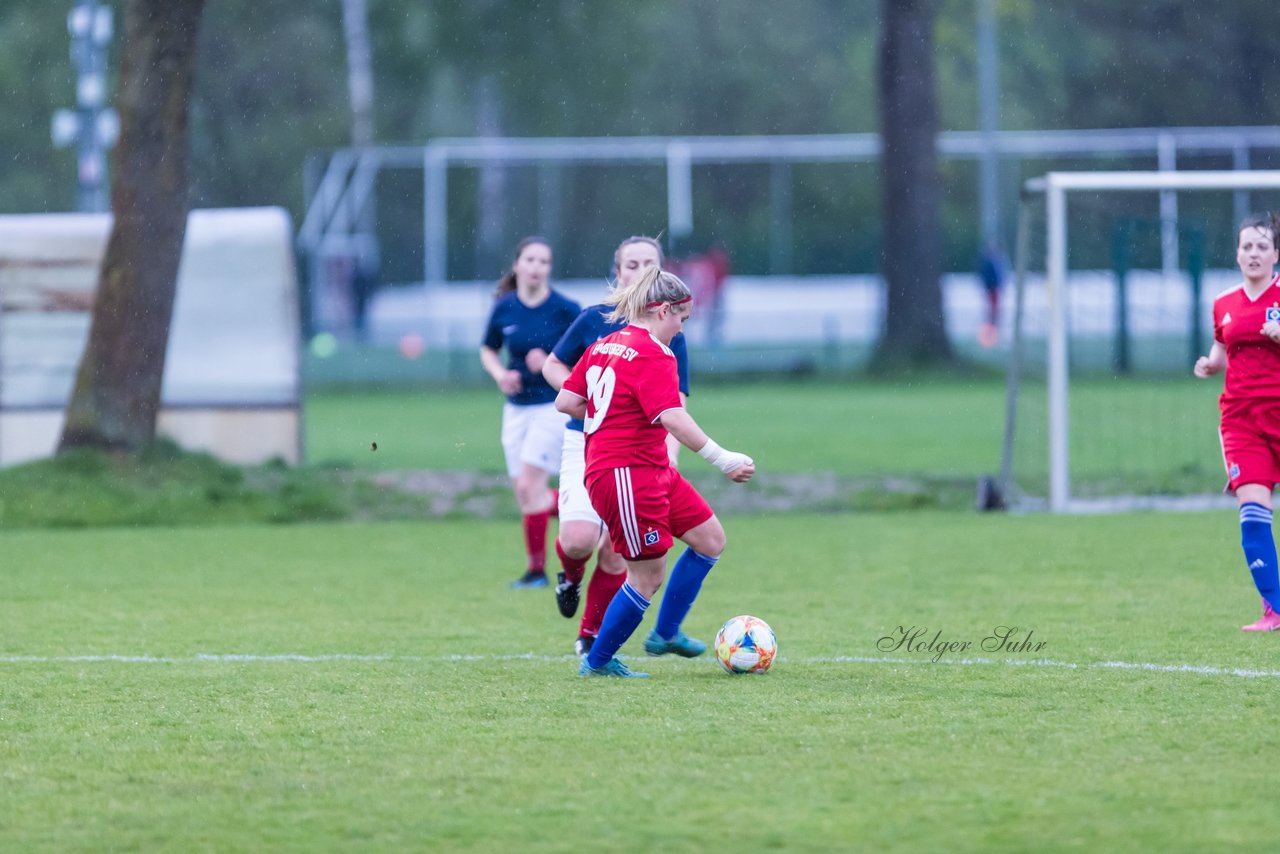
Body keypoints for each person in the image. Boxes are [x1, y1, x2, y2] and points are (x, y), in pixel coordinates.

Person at [556, 266, 754, 677]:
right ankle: (597, 662)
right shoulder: (653, 352)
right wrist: (724, 458)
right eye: (681, 319)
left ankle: (665, 633)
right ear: (663, 310)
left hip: (651, 467)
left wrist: (607, 415)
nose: (681, 330)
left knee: (710, 539)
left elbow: (565, 401)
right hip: (625, 473)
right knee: (647, 575)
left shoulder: (606, 344)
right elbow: (673, 417)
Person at [542, 236, 691, 657]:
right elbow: (554, 365)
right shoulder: (594, 320)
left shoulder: (669, 326)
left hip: (637, 452)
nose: (641, 271)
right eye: (632, 264)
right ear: (618, 270)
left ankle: (589, 636)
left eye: (650, 264)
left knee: (615, 550)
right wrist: (589, 398)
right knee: (577, 541)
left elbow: (676, 400)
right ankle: (569, 578)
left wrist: (673, 456)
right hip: (585, 439)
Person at [1194, 212, 1280, 631]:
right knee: (1253, 512)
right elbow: (1222, 346)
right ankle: (1275, 609)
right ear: (1237, 253)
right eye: (1247, 245)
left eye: (1262, 246)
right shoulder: (1224, 302)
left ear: (1276, 254)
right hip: (1242, 421)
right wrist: (1211, 364)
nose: (1253, 253)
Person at [479, 237, 581, 588]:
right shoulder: (504, 307)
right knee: (526, 493)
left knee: (529, 484)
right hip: (516, 410)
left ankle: (537, 572)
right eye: (531, 260)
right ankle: (588, 512)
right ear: (518, 264)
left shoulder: (566, 309)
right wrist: (500, 375)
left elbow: (586, 356)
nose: (537, 267)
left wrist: (552, 362)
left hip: (553, 408)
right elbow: (488, 349)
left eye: (544, 261)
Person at [977, 242, 1006, 349]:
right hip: (992, 291)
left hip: (994, 290)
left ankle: (992, 336)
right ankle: (989, 337)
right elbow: (987, 278)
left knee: (994, 313)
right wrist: (990, 287)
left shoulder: (996, 263)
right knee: (992, 314)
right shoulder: (988, 264)